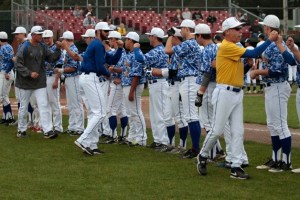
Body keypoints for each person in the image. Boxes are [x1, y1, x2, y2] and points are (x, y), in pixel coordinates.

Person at [196, 17, 278, 179]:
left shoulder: (233, 47)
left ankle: (235, 165)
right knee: (217, 129)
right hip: (224, 92)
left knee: (238, 131)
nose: (240, 32)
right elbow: (254, 52)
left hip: (236, 92)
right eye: (236, 29)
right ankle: (203, 155)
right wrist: (270, 40)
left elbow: (240, 70)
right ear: (227, 32)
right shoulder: (226, 46)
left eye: (240, 29)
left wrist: (247, 64)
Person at [252, 15, 296, 172]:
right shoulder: (271, 44)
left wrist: (258, 71)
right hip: (272, 87)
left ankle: (286, 162)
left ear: (269, 28)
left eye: (265, 26)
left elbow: (277, 71)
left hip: (278, 86)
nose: (264, 28)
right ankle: (276, 158)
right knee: (272, 125)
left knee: (281, 125)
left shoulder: (277, 44)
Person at [74, 22, 123, 155]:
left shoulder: (97, 45)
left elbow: (112, 60)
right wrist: (109, 75)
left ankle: (92, 145)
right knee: (100, 112)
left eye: (108, 31)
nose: (107, 33)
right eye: (105, 31)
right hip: (91, 78)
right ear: (98, 31)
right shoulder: (97, 44)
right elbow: (101, 67)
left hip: (87, 78)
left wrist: (119, 49)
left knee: (93, 113)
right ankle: (83, 140)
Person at [15, 25, 62, 138]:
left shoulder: (43, 46)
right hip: (25, 82)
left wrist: (58, 49)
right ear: (33, 35)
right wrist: (29, 73)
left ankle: (47, 130)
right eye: (39, 34)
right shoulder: (24, 47)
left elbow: (51, 58)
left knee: (44, 105)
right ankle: (21, 130)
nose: (41, 36)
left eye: (41, 34)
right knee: (24, 107)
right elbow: (18, 64)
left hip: (39, 82)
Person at [165, 19, 202, 158]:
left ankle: (195, 148)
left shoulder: (189, 43)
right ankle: (195, 147)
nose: (180, 30)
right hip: (191, 79)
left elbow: (167, 50)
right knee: (191, 116)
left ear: (187, 28)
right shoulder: (194, 43)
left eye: (182, 28)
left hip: (189, 80)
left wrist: (169, 36)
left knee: (191, 116)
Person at [134, 27, 171, 151]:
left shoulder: (157, 51)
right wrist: (149, 71)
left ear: (154, 37)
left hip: (159, 84)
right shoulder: (159, 50)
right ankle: (157, 140)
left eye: (150, 36)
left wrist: (136, 48)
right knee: (155, 114)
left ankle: (163, 142)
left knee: (159, 114)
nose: (149, 38)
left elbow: (140, 59)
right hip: (156, 83)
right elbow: (147, 69)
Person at [194, 24, 226, 161]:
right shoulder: (216, 47)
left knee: (208, 122)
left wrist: (200, 93)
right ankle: (218, 150)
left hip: (208, 87)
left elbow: (207, 73)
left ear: (200, 36)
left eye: (196, 36)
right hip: (215, 85)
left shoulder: (207, 50)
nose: (196, 39)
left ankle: (211, 154)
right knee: (211, 121)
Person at [54, 31, 84, 136]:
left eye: (63, 39)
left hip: (75, 78)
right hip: (69, 79)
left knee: (76, 103)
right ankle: (72, 126)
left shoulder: (73, 49)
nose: (62, 41)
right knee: (71, 104)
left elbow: (74, 68)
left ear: (66, 40)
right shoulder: (67, 50)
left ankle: (80, 128)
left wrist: (61, 71)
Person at [121, 32, 147, 146]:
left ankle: (142, 138)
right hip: (128, 85)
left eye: (126, 39)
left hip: (134, 85)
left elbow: (136, 75)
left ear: (131, 41)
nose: (125, 42)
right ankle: (131, 137)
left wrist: (131, 92)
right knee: (130, 113)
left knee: (136, 112)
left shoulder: (137, 54)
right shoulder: (130, 53)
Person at [106, 31, 128, 144]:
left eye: (110, 39)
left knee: (110, 110)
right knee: (122, 111)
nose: (109, 41)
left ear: (115, 40)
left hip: (117, 84)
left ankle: (113, 135)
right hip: (118, 83)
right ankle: (123, 135)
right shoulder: (116, 52)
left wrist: (113, 70)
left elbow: (123, 69)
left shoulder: (121, 52)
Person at [42, 30, 63, 134]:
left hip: (52, 76)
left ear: (52, 38)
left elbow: (59, 66)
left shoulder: (57, 48)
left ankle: (58, 127)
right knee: (45, 103)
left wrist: (56, 80)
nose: (46, 40)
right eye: (45, 38)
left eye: (48, 38)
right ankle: (49, 126)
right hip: (44, 77)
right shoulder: (43, 48)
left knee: (54, 102)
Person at [0, 31, 15, 125]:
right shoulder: (8, 46)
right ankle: (6, 117)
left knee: (3, 95)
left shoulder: (3, 48)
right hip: (7, 72)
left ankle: (10, 117)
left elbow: (12, 60)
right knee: (4, 95)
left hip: (6, 73)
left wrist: (7, 71)